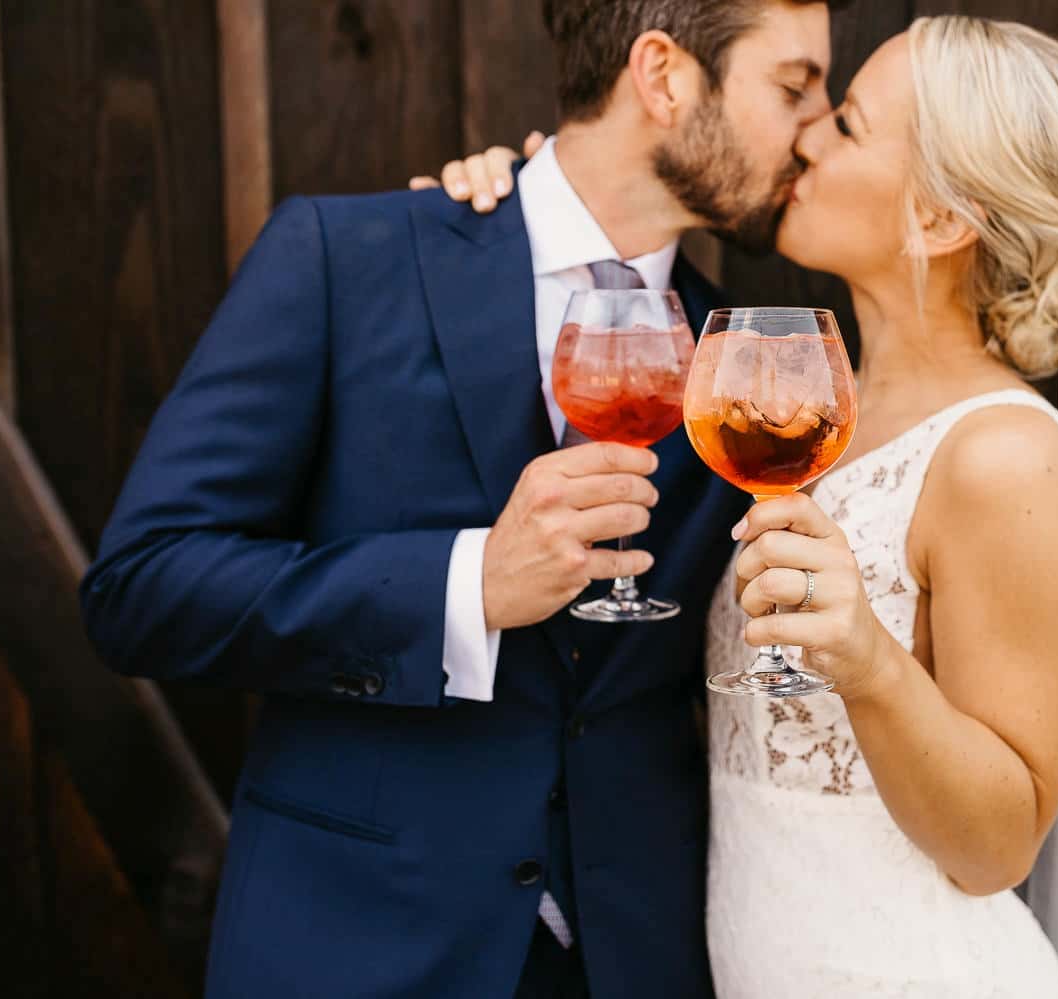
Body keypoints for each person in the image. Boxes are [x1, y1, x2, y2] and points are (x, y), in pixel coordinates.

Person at [425, 15, 1058, 998]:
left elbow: (1000, 846)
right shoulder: (800, 414)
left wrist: (867, 660)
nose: (807, 136)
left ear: (943, 219)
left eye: (850, 125)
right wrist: (522, 209)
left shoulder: (1003, 457)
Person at [78, 2, 850, 996]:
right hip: (354, 948)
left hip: (636, 957)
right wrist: (466, 584)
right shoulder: (345, 259)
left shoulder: (749, 364)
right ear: (663, 78)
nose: (819, 124)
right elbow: (141, 590)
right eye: (794, 87)